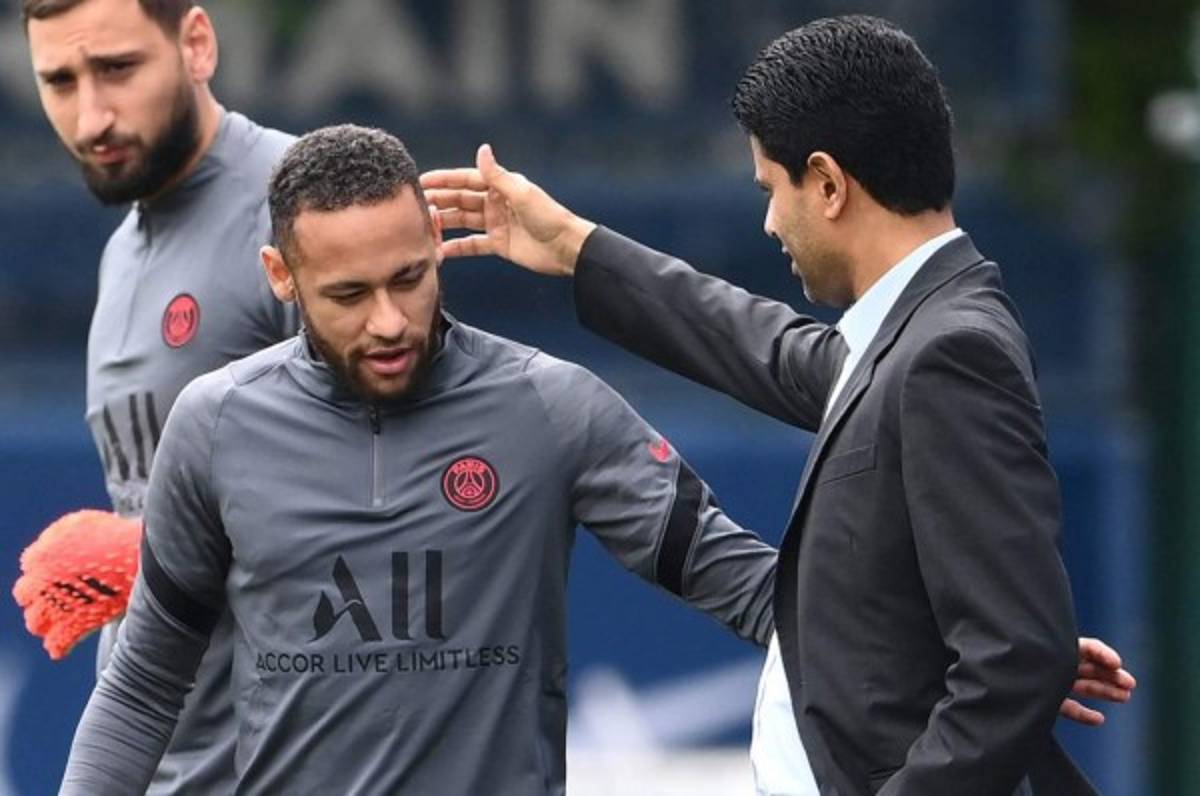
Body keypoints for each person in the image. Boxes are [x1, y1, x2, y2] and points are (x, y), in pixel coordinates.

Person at [421, 14, 1135, 795]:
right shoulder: (914, 336)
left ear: (827, 184)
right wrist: (574, 247)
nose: (768, 221)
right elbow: (766, 346)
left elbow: (1017, 660)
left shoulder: (949, 353)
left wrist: (1015, 652)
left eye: (771, 189)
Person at [57, 124, 781, 794]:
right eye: (348, 294)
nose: (389, 321)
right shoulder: (214, 425)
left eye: (407, 278)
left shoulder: (551, 407)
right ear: (281, 275)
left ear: (436, 237)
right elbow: (142, 687)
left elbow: (762, 597)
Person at [20, 0, 295, 791]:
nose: (91, 116)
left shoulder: (304, 207)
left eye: (117, 68)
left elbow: (403, 487)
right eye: (60, 81)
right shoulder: (121, 254)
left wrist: (143, 551)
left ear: (196, 44)